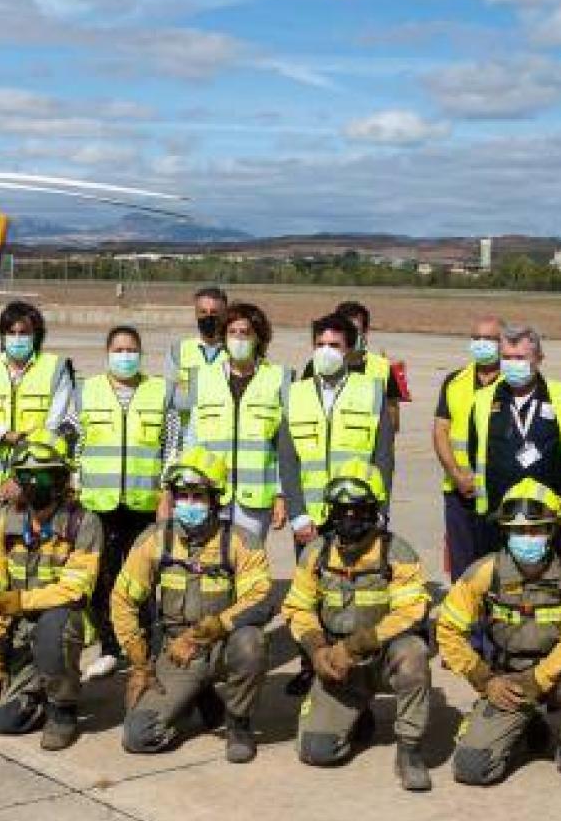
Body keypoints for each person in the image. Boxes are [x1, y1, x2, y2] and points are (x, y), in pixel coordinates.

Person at [438, 480, 561, 792]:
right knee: (472, 768)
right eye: (518, 531)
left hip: (560, 674)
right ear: (505, 532)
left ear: (552, 531)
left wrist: (540, 679)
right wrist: (484, 679)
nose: (527, 539)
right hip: (508, 681)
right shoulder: (485, 571)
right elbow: (448, 629)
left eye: (536, 530)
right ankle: (526, 728)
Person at [114, 448, 273, 763]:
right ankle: (196, 697)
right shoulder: (155, 540)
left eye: (197, 496)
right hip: (177, 652)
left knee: (252, 642)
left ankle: (238, 723)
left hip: (221, 645)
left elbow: (261, 600)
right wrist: (139, 662)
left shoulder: (241, 542)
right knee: (139, 735)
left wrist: (205, 632)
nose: (188, 504)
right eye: (181, 496)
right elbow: (123, 599)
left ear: (216, 499)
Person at [284, 463, 434, 792]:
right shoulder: (316, 553)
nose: (349, 519)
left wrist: (356, 646)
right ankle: (356, 714)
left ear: (374, 510)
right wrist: (317, 649)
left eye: (358, 510)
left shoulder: (397, 552)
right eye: (341, 511)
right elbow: (297, 607)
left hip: (382, 656)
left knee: (414, 653)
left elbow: (412, 609)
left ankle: (409, 750)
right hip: (337, 664)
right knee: (316, 751)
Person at [280, 310, 394, 697]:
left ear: (350, 349)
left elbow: (383, 456)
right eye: (320, 345)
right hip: (311, 515)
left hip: (356, 515)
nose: (326, 352)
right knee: (310, 594)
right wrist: (296, 512)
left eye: (335, 345)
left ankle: (358, 666)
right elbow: (288, 459)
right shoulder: (294, 393)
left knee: (356, 590)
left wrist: (379, 507)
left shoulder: (371, 390)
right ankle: (309, 664)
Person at [0, 430, 102, 751]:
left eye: (43, 477)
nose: (32, 486)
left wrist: (16, 601)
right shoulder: (1, 523)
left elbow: (74, 590)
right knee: (5, 721)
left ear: (61, 480)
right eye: (25, 477)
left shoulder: (83, 524)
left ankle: (63, 709)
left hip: (61, 621)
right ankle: (36, 687)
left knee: (53, 628)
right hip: (18, 625)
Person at [77, 325, 172, 681]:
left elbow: (170, 446)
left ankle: (143, 644)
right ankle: (110, 645)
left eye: (131, 349)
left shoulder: (158, 392)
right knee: (103, 576)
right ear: (107, 352)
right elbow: (76, 442)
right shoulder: (88, 390)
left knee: (142, 577)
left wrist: (166, 493)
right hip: (98, 503)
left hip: (142, 502)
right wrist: (73, 486)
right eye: (118, 349)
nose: (125, 355)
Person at [457, 324, 561, 552]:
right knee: (496, 580)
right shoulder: (483, 400)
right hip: (496, 515)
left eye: (520, 357)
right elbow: (474, 450)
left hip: (544, 516)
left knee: (548, 581)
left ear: (538, 358)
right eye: (507, 357)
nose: (513, 363)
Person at [178, 302, 289, 539]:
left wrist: (281, 495)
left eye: (245, 332)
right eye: (232, 332)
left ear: (259, 338)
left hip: (256, 499)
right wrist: (188, 486)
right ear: (223, 336)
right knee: (212, 562)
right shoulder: (204, 378)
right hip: (212, 491)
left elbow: (284, 448)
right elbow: (192, 438)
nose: (238, 338)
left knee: (249, 564)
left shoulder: (278, 379)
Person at [0, 300, 78, 521]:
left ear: (36, 335)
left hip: (38, 478)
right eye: (11, 332)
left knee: (32, 548)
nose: (17, 338)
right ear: (2, 335)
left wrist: (19, 478)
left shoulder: (56, 369)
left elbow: (53, 427)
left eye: (24, 332)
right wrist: (3, 433)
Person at [433, 314, 504, 580]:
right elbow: (441, 430)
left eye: (489, 339)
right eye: (476, 338)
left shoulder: (514, 382)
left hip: (500, 493)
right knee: (462, 568)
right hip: (459, 491)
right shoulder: (455, 381)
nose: (482, 344)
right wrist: (456, 474)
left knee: (496, 568)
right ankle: (463, 620)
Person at [334, 300, 404, 431]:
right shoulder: (317, 366)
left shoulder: (383, 368)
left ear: (365, 332)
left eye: (355, 331)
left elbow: (393, 423)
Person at [166, 286, 229, 394]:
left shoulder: (236, 351)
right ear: (196, 314)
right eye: (203, 312)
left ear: (225, 314)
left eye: (214, 312)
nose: (208, 317)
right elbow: (170, 395)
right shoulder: (178, 351)